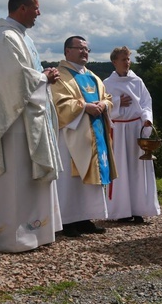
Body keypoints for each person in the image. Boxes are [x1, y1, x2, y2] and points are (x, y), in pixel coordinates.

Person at [0, 0, 63, 252]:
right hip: (12, 124)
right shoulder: (5, 37)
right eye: (36, 8)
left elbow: (23, 75)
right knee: (14, 178)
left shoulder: (21, 37)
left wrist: (42, 76)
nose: (39, 13)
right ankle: (10, 237)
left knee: (27, 178)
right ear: (22, 8)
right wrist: (44, 77)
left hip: (27, 119)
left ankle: (34, 232)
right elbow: (14, 78)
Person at [50, 36, 116, 237]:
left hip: (94, 134)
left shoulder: (93, 76)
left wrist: (104, 105)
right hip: (70, 135)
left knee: (90, 175)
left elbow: (107, 98)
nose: (85, 52)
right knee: (70, 180)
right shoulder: (58, 75)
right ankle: (67, 220)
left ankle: (85, 217)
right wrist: (84, 107)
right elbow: (57, 103)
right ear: (67, 51)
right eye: (80, 48)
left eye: (87, 49)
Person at [103, 46, 161, 223]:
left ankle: (138, 209)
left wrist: (146, 118)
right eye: (123, 59)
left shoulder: (138, 81)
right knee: (121, 169)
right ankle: (121, 211)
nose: (127, 62)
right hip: (118, 130)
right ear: (114, 62)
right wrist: (119, 102)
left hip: (136, 128)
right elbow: (103, 105)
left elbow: (146, 103)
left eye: (128, 59)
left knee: (137, 169)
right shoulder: (107, 83)